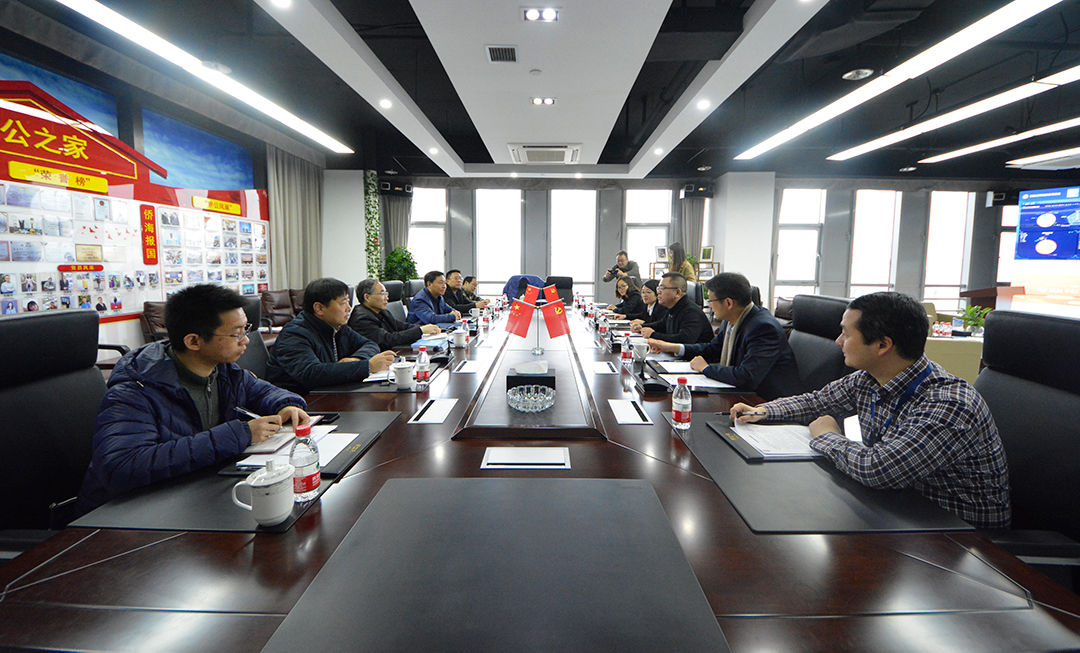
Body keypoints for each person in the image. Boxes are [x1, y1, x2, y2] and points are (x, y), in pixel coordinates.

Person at [731, 292, 1011, 530]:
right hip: (899, 510)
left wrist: (826, 436)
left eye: (846, 334)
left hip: (962, 538)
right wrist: (762, 411)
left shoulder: (949, 403)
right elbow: (816, 402)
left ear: (882, 345)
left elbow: (878, 468)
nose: (838, 342)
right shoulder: (870, 378)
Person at [75, 284, 309, 516]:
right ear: (194, 342)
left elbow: (263, 391)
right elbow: (121, 466)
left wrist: (286, 404)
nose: (246, 340)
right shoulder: (135, 391)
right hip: (125, 516)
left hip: (194, 497)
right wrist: (238, 435)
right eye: (236, 333)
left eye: (245, 329)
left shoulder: (223, 371)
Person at [649, 273, 800, 400]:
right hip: (740, 393)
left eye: (711, 300)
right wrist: (672, 347)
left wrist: (706, 368)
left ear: (728, 303)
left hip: (765, 401)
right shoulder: (732, 320)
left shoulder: (763, 327)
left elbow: (747, 376)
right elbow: (712, 349)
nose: (709, 306)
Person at [266, 278, 394, 394]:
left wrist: (356, 359)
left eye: (348, 301)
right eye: (343, 303)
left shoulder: (337, 327)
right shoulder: (294, 334)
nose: (349, 308)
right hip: (297, 402)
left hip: (330, 392)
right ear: (319, 308)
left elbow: (369, 344)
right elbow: (311, 374)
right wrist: (367, 366)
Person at [349, 278, 440, 350]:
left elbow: (402, 326)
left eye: (386, 293)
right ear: (367, 297)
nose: (387, 298)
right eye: (382, 294)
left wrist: (425, 328)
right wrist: (420, 331)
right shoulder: (361, 319)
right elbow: (387, 340)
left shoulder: (381, 312)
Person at [631, 272, 711, 344]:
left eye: (662, 288)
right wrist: (642, 327)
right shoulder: (673, 307)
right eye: (658, 288)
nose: (658, 292)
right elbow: (661, 325)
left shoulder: (691, 312)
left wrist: (653, 335)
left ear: (677, 292)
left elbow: (684, 340)